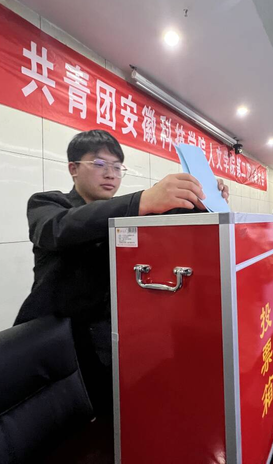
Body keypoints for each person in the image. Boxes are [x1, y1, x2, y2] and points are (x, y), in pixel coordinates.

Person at [14, 130, 229, 417]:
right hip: (54, 343)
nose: (111, 174)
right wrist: (142, 200)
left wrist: (200, 200)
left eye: (117, 167)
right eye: (99, 164)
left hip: (110, 341)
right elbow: (60, 229)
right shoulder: (47, 204)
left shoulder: (127, 214)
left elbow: (171, 219)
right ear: (73, 169)